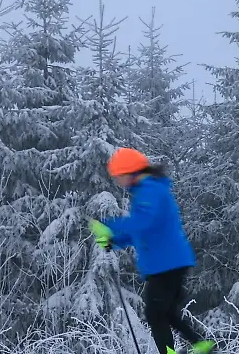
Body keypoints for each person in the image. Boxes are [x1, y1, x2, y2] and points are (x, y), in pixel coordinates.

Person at [88, 147, 216, 354]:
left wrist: (110, 226)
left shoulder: (150, 189)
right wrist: (115, 240)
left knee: (155, 313)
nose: (118, 181)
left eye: (119, 176)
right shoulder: (147, 190)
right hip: (169, 261)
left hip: (165, 263)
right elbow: (142, 230)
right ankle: (201, 345)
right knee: (167, 314)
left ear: (131, 172)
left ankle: (174, 351)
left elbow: (144, 222)